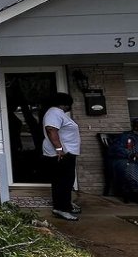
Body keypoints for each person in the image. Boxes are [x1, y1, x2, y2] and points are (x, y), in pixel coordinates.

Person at [43, 91, 81, 221]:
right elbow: (51, 129)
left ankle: (66, 206)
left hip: (66, 152)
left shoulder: (57, 113)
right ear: (65, 103)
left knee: (65, 181)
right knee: (63, 181)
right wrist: (59, 149)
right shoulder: (54, 112)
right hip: (61, 154)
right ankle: (61, 209)